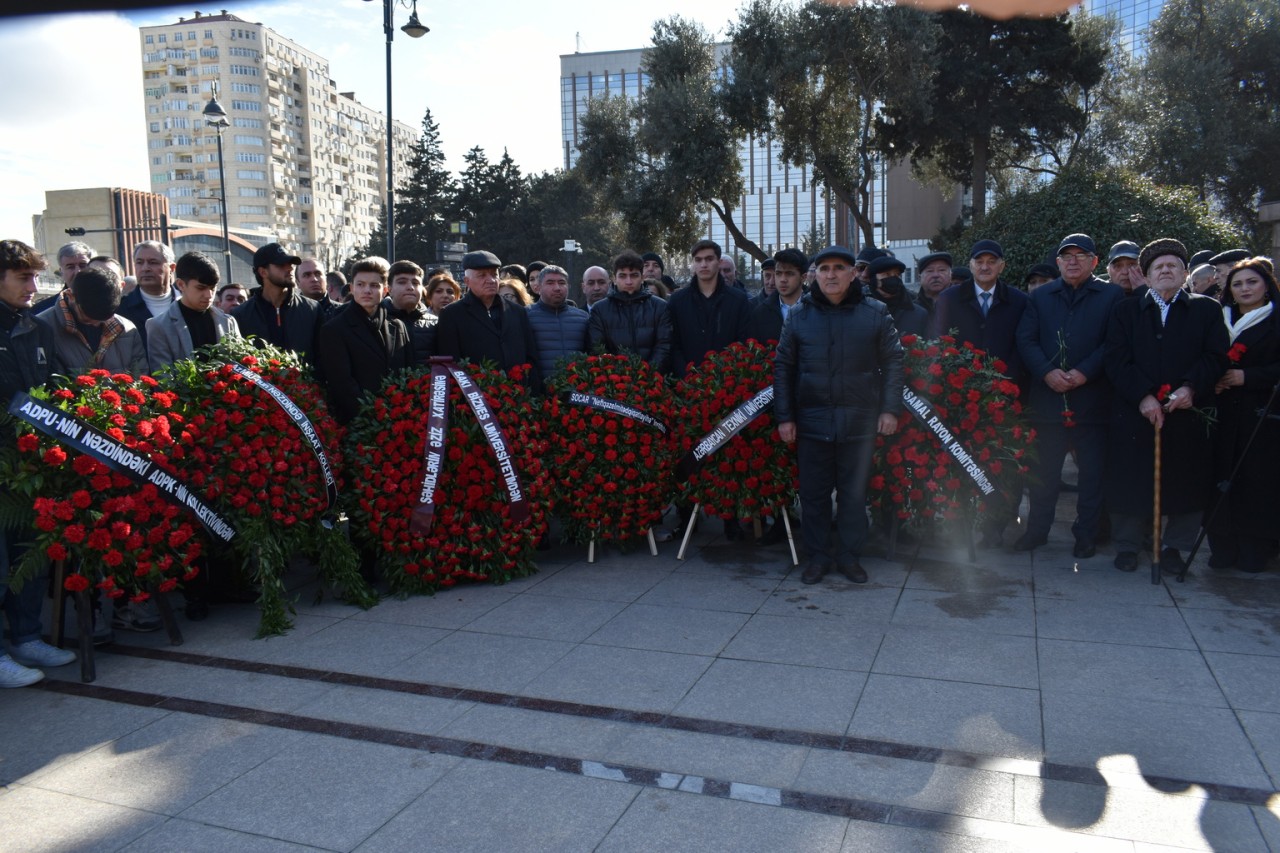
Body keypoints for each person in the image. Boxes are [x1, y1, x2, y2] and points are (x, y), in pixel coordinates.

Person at [774, 246, 904, 585]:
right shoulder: (799, 316)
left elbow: (893, 363)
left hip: (859, 424)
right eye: (825, 268)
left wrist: (890, 409)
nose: (831, 274)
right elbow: (783, 367)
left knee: (853, 497)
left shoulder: (875, 313)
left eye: (839, 268)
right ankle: (817, 557)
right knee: (814, 497)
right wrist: (785, 417)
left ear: (853, 273)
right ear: (815, 275)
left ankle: (849, 557)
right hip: (812, 424)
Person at [1104, 238, 1228, 574]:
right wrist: (1143, 395)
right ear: (1147, 275)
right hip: (1135, 411)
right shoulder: (1126, 310)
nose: (1166, 270)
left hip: (1186, 411)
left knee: (1186, 481)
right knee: (1130, 480)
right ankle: (1128, 546)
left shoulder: (1206, 309)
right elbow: (1116, 359)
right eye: (1159, 266)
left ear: (1185, 272)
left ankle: (1175, 547)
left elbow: (1215, 356)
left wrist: (1190, 388)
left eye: (1173, 265)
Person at [1015, 233, 1124, 557]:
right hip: (1048, 402)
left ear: (1094, 261)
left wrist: (1083, 373)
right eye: (1067, 256)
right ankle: (1037, 532)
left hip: (1092, 404)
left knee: (1092, 477)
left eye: (1081, 255)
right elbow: (1026, 340)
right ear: (1058, 262)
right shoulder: (1040, 296)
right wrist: (1047, 372)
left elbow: (1113, 343)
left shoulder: (1112, 296)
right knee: (1043, 475)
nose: (1073, 261)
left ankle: (1086, 535)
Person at [0, 239, 78, 686]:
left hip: (31, 466)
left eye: (34, 276)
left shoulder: (36, 328)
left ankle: (26, 636)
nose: (34, 286)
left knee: (29, 554)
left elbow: (53, 390)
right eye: (23, 277)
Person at [929, 238, 1028, 548]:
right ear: (970, 265)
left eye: (991, 261)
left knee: (1003, 465)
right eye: (979, 261)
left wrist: (1003, 383)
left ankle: (996, 526)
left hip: (1007, 395)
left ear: (1001, 266)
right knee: (961, 461)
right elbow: (941, 344)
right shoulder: (949, 299)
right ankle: (959, 523)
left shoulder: (1019, 300)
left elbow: (1022, 346)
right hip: (962, 395)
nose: (985, 267)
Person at [1207, 259, 1280, 572]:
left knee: (1256, 480)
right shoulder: (1218, 319)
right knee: (1218, 476)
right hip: (1222, 412)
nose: (1245, 289)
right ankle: (1222, 543)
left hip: (1261, 416)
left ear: (1266, 285)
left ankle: (1256, 546)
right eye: (1237, 284)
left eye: (1251, 282)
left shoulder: (1275, 320)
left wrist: (1246, 378)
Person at [316, 256, 412, 424]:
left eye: (374, 285)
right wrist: (372, 417)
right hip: (358, 424)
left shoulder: (398, 326)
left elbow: (407, 372)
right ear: (352, 288)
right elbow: (342, 384)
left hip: (399, 421)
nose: (367, 290)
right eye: (361, 285)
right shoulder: (334, 329)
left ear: (385, 290)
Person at [434, 250, 541, 386]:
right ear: (467, 281)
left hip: (518, 396)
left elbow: (530, 357)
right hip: (475, 397)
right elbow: (451, 363)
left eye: (494, 274)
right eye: (482, 275)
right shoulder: (451, 314)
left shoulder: (517, 311)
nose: (490, 280)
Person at [36, 265, 147, 376]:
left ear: (121, 287)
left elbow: (141, 377)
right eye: (88, 318)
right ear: (71, 296)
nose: (96, 323)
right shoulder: (42, 329)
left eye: (105, 318)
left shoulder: (127, 329)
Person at [668, 239, 751, 378]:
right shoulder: (677, 301)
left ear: (718, 263)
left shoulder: (738, 300)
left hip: (727, 382)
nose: (704, 265)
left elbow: (743, 342)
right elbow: (673, 344)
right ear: (693, 264)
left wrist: (726, 375)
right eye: (698, 260)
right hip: (686, 384)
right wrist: (687, 375)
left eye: (709, 259)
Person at [146, 251, 240, 370]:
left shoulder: (228, 322)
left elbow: (239, 366)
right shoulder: (159, 326)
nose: (209, 295)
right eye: (201, 288)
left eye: (213, 288)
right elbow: (163, 376)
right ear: (181, 285)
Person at [232, 243, 324, 363]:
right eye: (281, 264)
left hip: (306, 381)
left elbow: (322, 356)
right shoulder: (240, 315)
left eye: (290, 264)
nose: (290, 268)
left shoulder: (312, 309)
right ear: (263, 272)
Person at [587, 250, 672, 373]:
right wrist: (619, 378)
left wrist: (647, 374)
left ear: (642, 277)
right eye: (622, 276)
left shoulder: (659, 307)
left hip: (653, 381)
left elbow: (664, 346)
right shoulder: (599, 309)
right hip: (614, 384)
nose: (628, 281)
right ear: (614, 279)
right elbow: (597, 349)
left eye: (634, 275)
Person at [527, 264, 590, 384]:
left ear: (568, 286)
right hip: (538, 393)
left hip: (577, 390)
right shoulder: (525, 316)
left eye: (561, 283)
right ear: (538, 287)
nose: (557, 288)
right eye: (550, 283)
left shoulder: (583, 318)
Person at [119, 240, 178, 347]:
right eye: (139, 262)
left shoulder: (186, 304)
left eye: (153, 262)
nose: (145, 268)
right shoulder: (121, 310)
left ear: (172, 268)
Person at [748, 248, 806, 344]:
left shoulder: (818, 308)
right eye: (778, 273)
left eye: (789, 274)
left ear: (803, 277)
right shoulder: (760, 313)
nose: (783, 279)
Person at [384, 260, 436, 365]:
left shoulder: (436, 324)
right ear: (389, 289)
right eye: (402, 282)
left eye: (415, 283)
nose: (410, 287)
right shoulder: (377, 322)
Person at [867, 255, 928, 337]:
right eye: (887, 274)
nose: (893, 278)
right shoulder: (861, 311)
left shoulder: (919, 314)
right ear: (873, 279)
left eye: (897, 275)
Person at [297, 258, 341, 322]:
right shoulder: (289, 315)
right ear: (297, 283)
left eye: (318, 274)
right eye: (307, 275)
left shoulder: (342, 312)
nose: (314, 279)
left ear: (326, 279)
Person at [915, 251, 952, 316]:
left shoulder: (963, 306)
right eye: (930, 271)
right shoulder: (912, 310)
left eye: (941, 270)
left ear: (950, 275)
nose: (936, 275)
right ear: (920, 278)